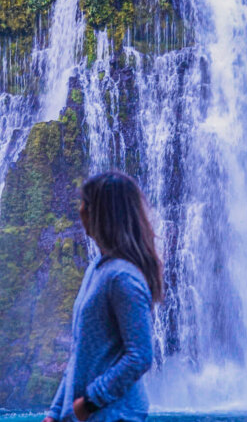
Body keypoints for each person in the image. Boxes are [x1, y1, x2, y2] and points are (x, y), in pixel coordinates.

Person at [43, 171, 164, 422]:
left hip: (115, 414)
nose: (80, 211)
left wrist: (89, 402)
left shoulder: (122, 277)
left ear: (101, 213)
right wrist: (55, 413)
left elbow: (140, 355)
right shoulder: (97, 269)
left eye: (85, 204)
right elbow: (80, 352)